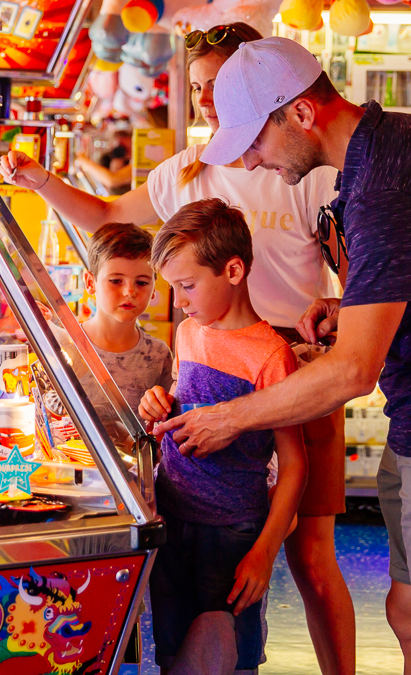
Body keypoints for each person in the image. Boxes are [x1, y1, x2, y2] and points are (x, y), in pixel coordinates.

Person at [155, 37, 411, 675]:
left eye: (255, 140)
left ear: (300, 114)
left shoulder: (384, 175)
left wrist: (229, 417)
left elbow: (355, 371)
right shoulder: (384, 152)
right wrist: (349, 308)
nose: (251, 159)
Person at [1, 23, 356, 675]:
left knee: (310, 554)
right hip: (211, 365)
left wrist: (336, 315)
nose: (206, 103)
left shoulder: (305, 165)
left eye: (218, 86)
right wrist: (39, 181)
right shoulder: (187, 170)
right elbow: (110, 215)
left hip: (297, 372)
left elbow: (354, 277)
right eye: (197, 89)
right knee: (205, 569)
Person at [137, 199, 305, 675]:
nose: (180, 301)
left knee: (227, 656)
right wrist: (160, 402)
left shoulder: (272, 355)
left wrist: (264, 553)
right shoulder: (189, 332)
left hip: (231, 535)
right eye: (174, 289)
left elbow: (294, 465)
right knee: (174, 654)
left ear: (233, 270)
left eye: (187, 286)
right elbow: (181, 400)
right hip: (172, 518)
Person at [77, 223, 174, 417]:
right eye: (116, 281)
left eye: (142, 282)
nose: (130, 292)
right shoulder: (66, 346)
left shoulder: (159, 355)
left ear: (154, 287)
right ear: (90, 282)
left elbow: (167, 425)